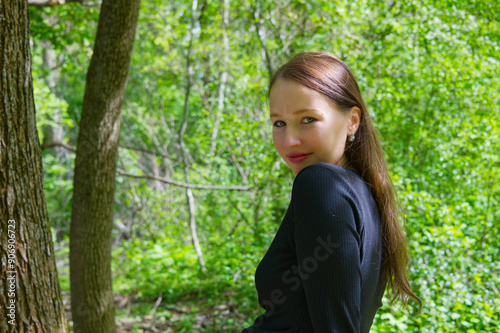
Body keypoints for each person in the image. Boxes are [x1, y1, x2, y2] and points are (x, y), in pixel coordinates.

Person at [242, 52, 421, 333]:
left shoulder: (321, 184)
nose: (289, 141)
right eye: (279, 123)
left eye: (308, 119)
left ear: (352, 121)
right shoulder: (365, 194)